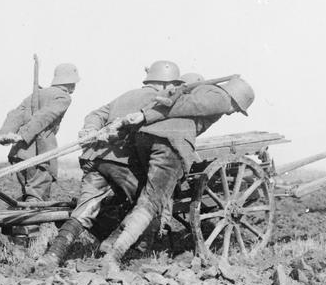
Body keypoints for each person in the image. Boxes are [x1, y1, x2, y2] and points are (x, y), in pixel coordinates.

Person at [35, 60, 183, 270]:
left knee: (84, 211)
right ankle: (133, 255)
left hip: (95, 158)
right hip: (122, 162)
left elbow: (95, 115)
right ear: (166, 83)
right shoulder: (160, 101)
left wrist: (91, 129)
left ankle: (52, 255)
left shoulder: (126, 95)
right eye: (173, 84)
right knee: (149, 205)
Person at [100, 75, 256, 269]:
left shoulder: (200, 90)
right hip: (170, 143)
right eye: (238, 109)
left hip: (146, 137)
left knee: (147, 195)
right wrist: (144, 115)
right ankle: (114, 255)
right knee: (151, 202)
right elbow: (182, 106)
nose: (233, 113)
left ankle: (108, 245)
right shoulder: (221, 98)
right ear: (235, 99)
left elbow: (174, 102)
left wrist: (144, 116)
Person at [0, 63, 79, 245]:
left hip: (20, 153)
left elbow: (15, 115)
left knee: (26, 195)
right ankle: (24, 240)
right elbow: (44, 117)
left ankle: (9, 231)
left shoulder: (37, 94)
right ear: (70, 83)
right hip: (39, 154)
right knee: (36, 197)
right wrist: (24, 135)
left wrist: (5, 135)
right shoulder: (63, 97)